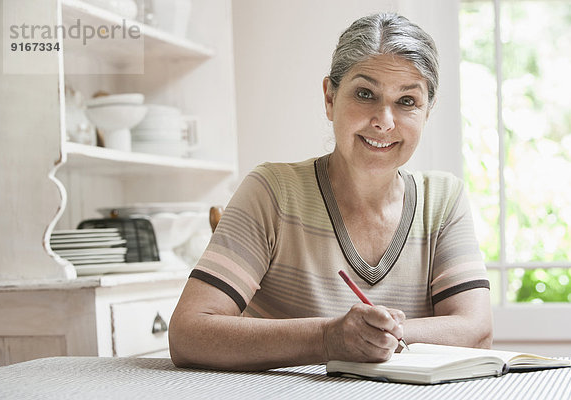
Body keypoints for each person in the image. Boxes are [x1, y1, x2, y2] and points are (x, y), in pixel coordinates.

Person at [169, 12, 492, 371]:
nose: (384, 120)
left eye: (407, 101)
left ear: (427, 111)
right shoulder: (273, 192)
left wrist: (372, 337)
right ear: (329, 97)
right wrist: (327, 338)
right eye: (365, 94)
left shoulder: (443, 201)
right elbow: (188, 333)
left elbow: (475, 330)